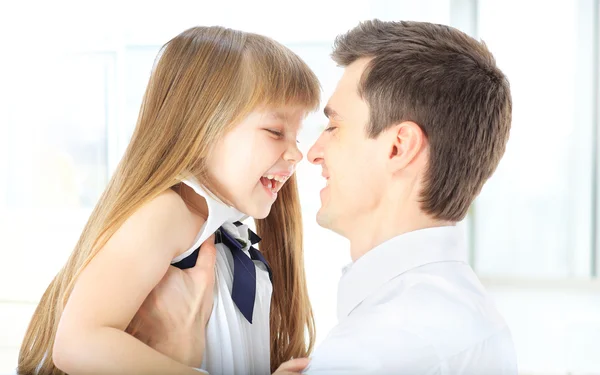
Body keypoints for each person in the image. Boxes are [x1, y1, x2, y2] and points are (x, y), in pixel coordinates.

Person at [134, 19, 518, 375]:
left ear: (399, 147)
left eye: (334, 126)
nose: (311, 152)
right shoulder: (463, 314)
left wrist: (177, 356)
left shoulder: (374, 351)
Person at [17, 25, 320, 375]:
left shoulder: (222, 233)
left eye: (296, 135)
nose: (297, 153)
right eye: (276, 131)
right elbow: (78, 343)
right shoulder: (168, 212)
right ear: (203, 124)